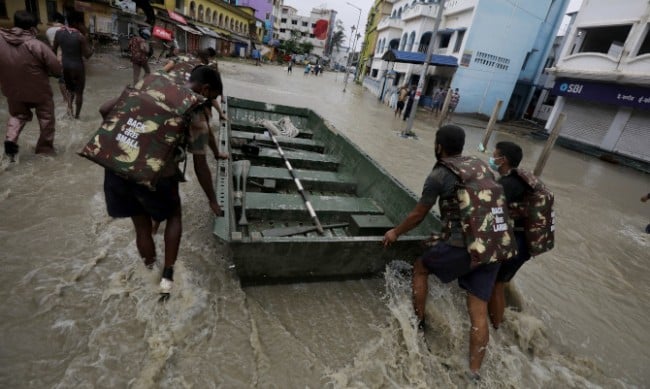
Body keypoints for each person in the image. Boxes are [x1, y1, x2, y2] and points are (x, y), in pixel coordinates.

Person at [383, 125, 516, 380]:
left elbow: (418, 215)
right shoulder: (482, 166)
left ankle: (418, 323)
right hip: (495, 245)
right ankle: (474, 372)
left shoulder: (439, 175)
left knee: (421, 266)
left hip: (464, 246)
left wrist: (395, 233)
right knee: (478, 311)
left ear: (438, 147)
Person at [99, 66, 225, 294]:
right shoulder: (195, 111)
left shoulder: (153, 85)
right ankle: (167, 280)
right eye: (212, 97)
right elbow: (200, 166)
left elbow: (105, 109)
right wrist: (213, 201)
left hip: (119, 169)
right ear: (205, 89)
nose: (210, 102)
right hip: (156, 175)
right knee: (174, 215)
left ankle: (149, 271)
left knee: (142, 227)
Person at [0, 10, 62, 160]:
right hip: (39, 90)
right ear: (33, 28)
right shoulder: (36, 45)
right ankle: (44, 150)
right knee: (46, 118)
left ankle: (10, 141)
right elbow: (56, 68)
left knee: (18, 115)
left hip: (12, 89)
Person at [486, 141, 531, 329]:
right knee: (502, 281)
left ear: (502, 160)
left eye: (494, 154)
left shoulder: (507, 184)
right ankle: (499, 317)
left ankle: (496, 326)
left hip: (520, 241)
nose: (492, 157)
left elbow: (487, 211)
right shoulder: (521, 179)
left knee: (498, 283)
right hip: (527, 240)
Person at [53, 13, 93, 119]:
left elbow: (53, 50)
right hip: (77, 67)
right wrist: (90, 44)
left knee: (70, 90)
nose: (82, 25)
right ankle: (77, 116)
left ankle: (69, 110)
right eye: (81, 23)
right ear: (77, 23)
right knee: (79, 93)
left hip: (65, 66)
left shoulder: (59, 33)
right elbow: (87, 55)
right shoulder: (80, 37)